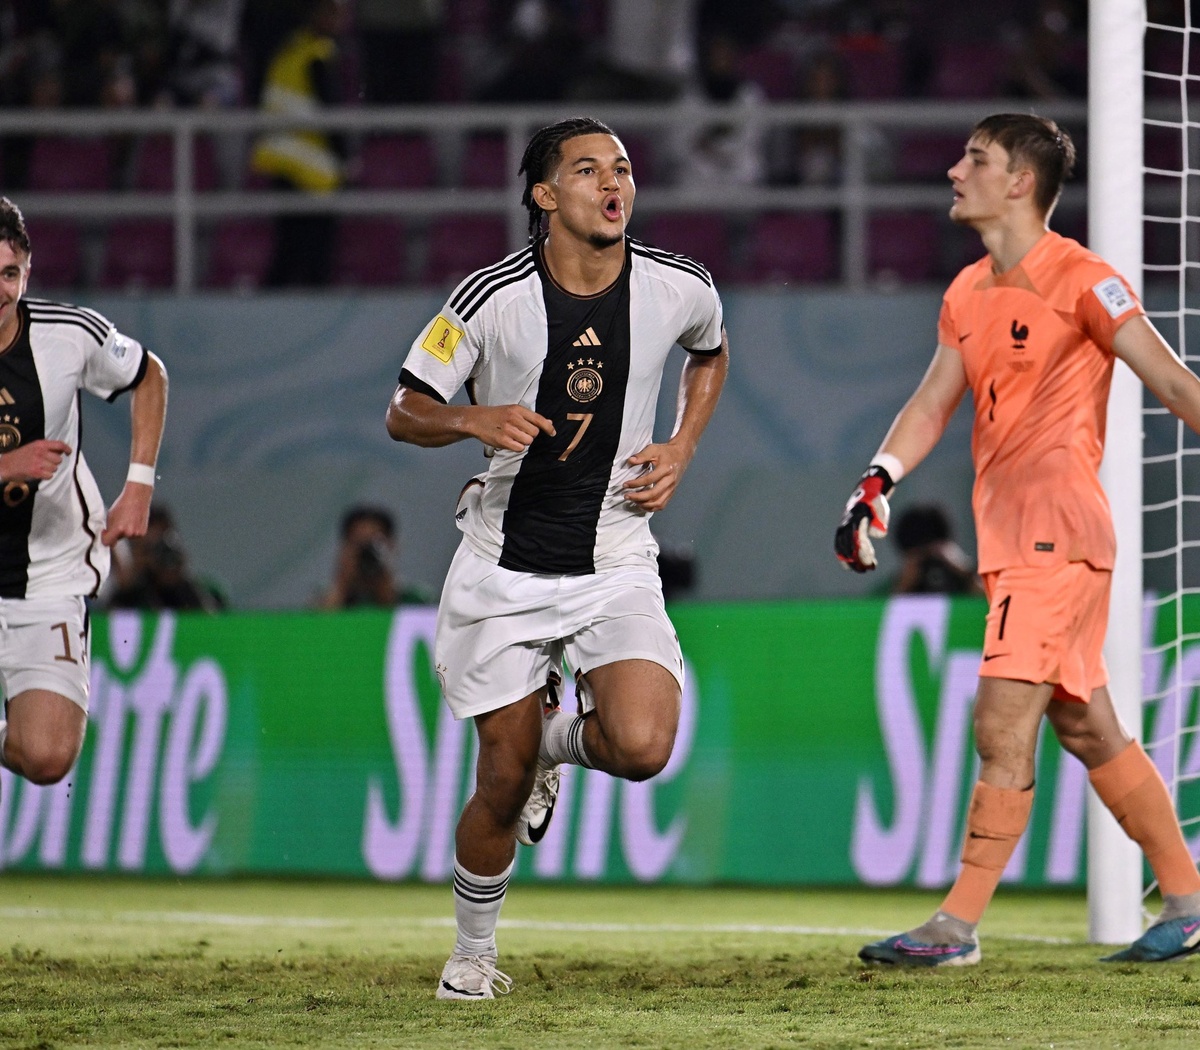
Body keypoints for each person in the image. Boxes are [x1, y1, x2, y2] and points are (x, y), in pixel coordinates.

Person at [834, 113, 1200, 966]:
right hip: (1016, 541)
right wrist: (877, 480)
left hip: (1056, 535)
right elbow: (931, 404)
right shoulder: (967, 291)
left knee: (1001, 725)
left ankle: (955, 926)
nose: (956, 171)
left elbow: (1175, 384)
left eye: (977, 159)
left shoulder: (1084, 279)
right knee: (1086, 728)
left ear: (1020, 182)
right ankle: (1188, 899)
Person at [386, 116, 728, 999]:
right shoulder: (488, 298)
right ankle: (472, 954)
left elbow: (711, 353)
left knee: (646, 746)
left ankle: (557, 742)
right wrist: (473, 418)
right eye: (587, 170)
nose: (613, 183)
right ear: (544, 195)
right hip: (504, 565)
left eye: (621, 168)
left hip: (615, 554)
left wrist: (684, 444)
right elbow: (405, 408)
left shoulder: (678, 286)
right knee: (498, 781)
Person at [0, 195, 168, 797]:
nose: (1, 289)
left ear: (27, 271)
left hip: (48, 572)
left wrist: (138, 488)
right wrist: (6, 466)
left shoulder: (69, 336)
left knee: (47, 759)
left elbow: (149, 374)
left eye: (10, 273)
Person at [249, 0, 347, 287]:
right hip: (310, 171)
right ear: (317, 14)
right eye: (333, 12)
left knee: (288, 255)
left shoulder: (289, 49)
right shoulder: (318, 54)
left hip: (284, 166)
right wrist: (346, 158)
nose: (339, 20)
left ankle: (268, 317)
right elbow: (330, 114)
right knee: (312, 261)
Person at [105, 504, 225, 612]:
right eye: (149, 550)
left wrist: (185, 584)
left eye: (164, 546)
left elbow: (218, 627)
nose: (159, 556)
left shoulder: (207, 592)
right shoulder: (126, 599)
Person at [317, 504, 432, 609]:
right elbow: (316, 628)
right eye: (359, 544)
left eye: (375, 544)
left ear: (392, 547)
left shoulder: (417, 600)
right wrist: (341, 585)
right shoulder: (324, 600)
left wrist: (387, 592)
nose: (366, 553)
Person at [890, 503, 982, 595]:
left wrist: (965, 572)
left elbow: (988, 599)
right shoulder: (896, 583)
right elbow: (882, 606)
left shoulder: (962, 576)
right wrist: (904, 586)